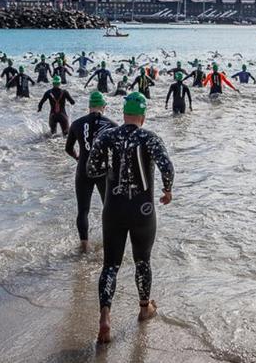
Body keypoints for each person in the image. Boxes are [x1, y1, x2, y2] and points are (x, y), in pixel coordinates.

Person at [85, 92, 174, 344]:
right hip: (142, 209)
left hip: (113, 208)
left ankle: (105, 316)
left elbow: (92, 169)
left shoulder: (107, 135)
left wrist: (111, 172)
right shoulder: (150, 138)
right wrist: (168, 191)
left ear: (124, 114)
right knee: (142, 262)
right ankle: (145, 309)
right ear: (143, 117)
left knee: (110, 265)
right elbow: (166, 166)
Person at [65, 91, 117, 250]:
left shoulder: (77, 123)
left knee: (83, 210)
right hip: (103, 171)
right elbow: (117, 153)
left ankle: (84, 245)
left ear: (89, 107)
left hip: (83, 170)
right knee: (108, 209)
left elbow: (68, 149)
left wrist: (78, 158)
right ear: (104, 107)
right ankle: (110, 242)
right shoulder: (112, 125)